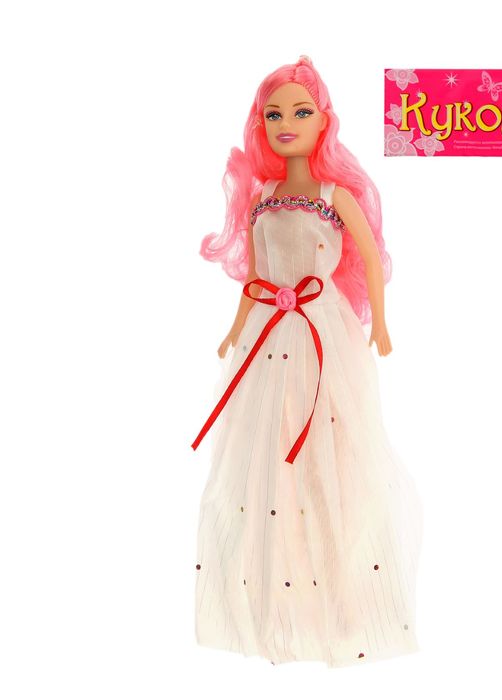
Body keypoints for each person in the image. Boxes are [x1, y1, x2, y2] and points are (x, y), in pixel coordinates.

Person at [191, 55, 423, 668]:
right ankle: (275, 608)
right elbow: (256, 277)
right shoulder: (262, 199)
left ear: (324, 121)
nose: (286, 124)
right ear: (260, 124)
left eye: (300, 112)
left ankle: (346, 607)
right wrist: (234, 330)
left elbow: (369, 257)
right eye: (273, 115)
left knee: (332, 457)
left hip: (323, 333)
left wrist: (381, 323)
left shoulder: (333, 197)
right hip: (268, 337)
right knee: (264, 465)